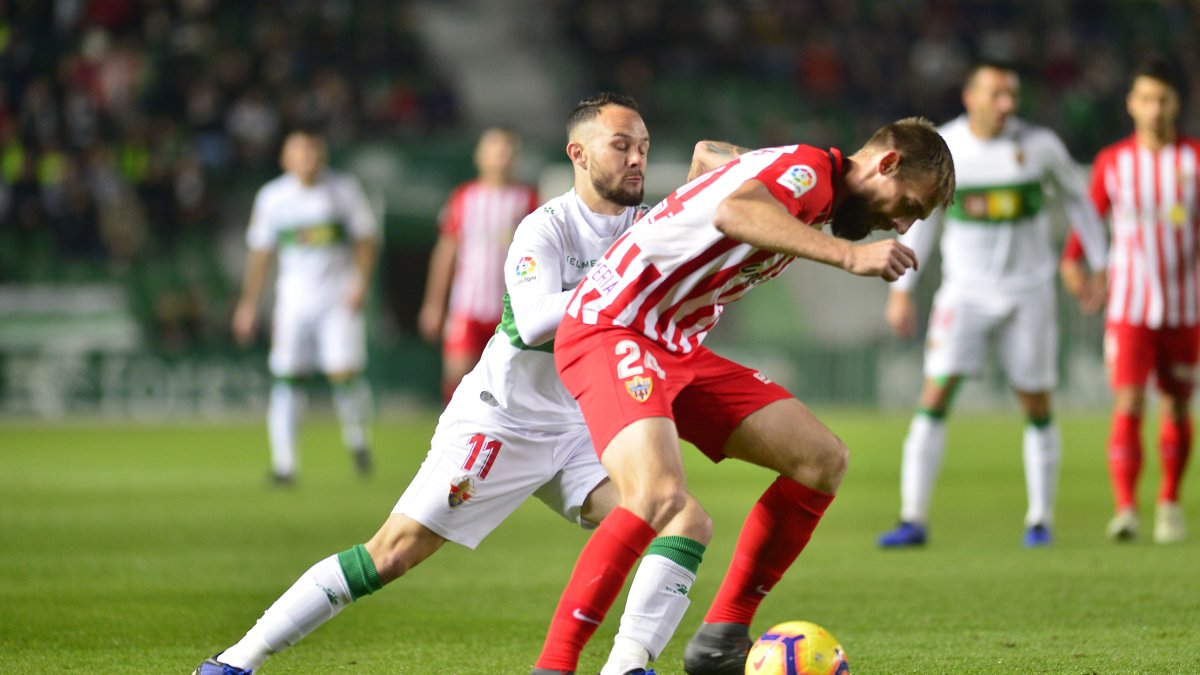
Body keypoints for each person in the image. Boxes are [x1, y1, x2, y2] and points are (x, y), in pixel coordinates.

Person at [196, 93, 731, 675]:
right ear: (578, 154)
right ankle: (234, 662)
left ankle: (626, 666)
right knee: (391, 554)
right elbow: (529, 323)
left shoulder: (649, 229)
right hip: (501, 421)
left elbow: (694, 290)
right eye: (621, 146)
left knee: (684, 519)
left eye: (644, 149)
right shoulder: (544, 228)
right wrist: (625, 286)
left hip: (581, 427)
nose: (636, 160)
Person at [530, 118, 956, 675]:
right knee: (657, 493)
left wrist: (724, 169)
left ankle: (722, 637)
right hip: (613, 327)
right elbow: (734, 212)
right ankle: (554, 666)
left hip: (673, 344)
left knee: (821, 459)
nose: (900, 223)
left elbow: (709, 153)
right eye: (909, 205)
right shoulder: (808, 171)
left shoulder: (804, 182)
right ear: (888, 163)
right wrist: (850, 258)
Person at [876, 62, 1109, 549]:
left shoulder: (1040, 147)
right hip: (965, 293)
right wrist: (901, 292)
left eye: (1012, 96)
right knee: (935, 395)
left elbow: (1080, 200)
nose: (1006, 105)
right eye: (997, 95)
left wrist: (1100, 262)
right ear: (971, 96)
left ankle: (1040, 521)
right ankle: (912, 517)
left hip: (1030, 293)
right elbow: (923, 217)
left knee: (1036, 402)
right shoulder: (947, 148)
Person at [1060, 58, 1197, 544]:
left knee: (1179, 407)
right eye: (1146, 99)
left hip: (1185, 307)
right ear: (1131, 105)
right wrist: (1074, 266)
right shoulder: (1114, 162)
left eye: (1163, 99)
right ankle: (1125, 509)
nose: (1155, 109)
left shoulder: (1194, 160)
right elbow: (1089, 223)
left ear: (1176, 103)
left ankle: (1168, 503)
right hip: (1130, 307)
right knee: (1129, 401)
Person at [231, 130, 379, 484]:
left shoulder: (344, 190)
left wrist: (361, 283)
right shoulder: (272, 197)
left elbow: (365, 239)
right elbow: (261, 253)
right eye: (299, 151)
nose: (307, 157)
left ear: (323, 155)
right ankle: (285, 464)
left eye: (312, 150)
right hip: (293, 301)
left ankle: (358, 440)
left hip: (337, 298)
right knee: (286, 376)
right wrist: (248, 304)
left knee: (343, 373)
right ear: (285, 158)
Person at [418, 127, 540, 401]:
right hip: (467, 304)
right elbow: (446, 251)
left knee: (510, 381)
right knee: (457, 375)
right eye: (495, 150)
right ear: (480, 156)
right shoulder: (463, 198)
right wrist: (434, 303)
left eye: (507, 151)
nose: (501, 157)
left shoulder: (527, 199)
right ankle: (454, 439)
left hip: (510, 307)